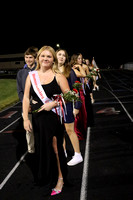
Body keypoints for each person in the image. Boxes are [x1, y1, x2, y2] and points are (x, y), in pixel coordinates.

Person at [22, 45, 70, 196]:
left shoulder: (58, 76)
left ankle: (60, 179)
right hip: (38, 119)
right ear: (38, 58)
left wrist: (54, 103)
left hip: (53, 117)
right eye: (43, 56)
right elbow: (25, 98)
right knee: (43, 148)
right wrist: (25, 118)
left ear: (53, 60)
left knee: (55, 148)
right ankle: (47, 176)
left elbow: (69, 96)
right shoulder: (32, 76)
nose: (45, 59)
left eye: (49, 57)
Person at [54, 48, 83, 166]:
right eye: (59, 54)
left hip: (68, 104)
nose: (61, 57)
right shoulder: (51, 70)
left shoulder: (70, 71)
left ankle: (78, 154)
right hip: (56, 105)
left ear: (66, 58)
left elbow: (77, 89)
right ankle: (64, 152)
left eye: (63, 55)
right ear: (55, 56)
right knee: (60, 131)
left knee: (70, 130)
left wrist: (77, 106)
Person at [16, 46, 38, 153]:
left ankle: (42, 148)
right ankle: (31, 150)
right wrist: (26, 104)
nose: (28, 59)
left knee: (40, 128)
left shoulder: (39, 70)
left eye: (30, 57)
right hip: (26, 105)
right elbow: (20, 91)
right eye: (26, 57)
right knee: (29, 130)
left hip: (39, 103)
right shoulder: (21, 73)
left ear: (35, 58)